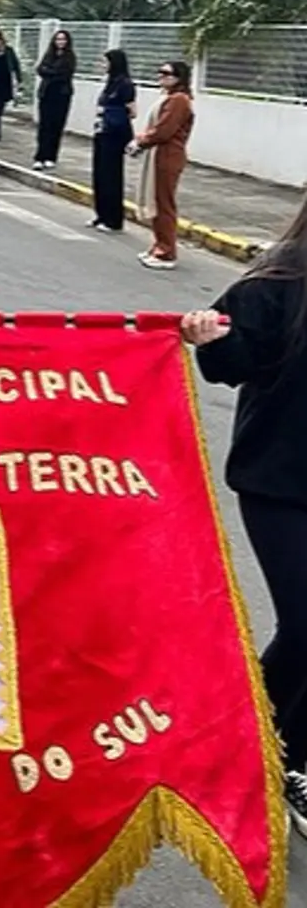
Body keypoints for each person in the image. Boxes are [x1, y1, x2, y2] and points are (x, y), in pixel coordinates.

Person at [181, 210, 307, 838]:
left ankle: (282, 754)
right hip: (282, 486)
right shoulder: (275, 287)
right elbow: (230, 362)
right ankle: (245, 736)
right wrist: (208, 336)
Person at [131, 60, 194, 270]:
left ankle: (166, 252)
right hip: (159, 154)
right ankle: (159, 245)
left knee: (163, 204)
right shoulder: (168, 97)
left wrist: (141, 140)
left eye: (167, 73)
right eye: (160, 72)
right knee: (156, 202)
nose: (161, 76)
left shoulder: (179, 100)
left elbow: (163, 131)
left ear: (179, 77)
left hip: (167, 156)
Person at [89, 49, 136, 233]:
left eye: (105, 62)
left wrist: (114, 116)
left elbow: (133, 111)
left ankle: (113, 219)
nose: (102, 65)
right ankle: (100, 214)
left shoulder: (125, 84)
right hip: (101, 131)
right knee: (99, 174)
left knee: (111, 176)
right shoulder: (108, 83)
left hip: (114, 134)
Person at [33, 30, 76, 170]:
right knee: (44, 126)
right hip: (46, 94)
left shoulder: (70, 57)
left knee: (56, 127)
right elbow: (40, 69)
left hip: (61, 96)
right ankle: (40, 157)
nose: (60, 42)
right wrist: (50, 72)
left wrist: (49, 72)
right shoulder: (49, 55)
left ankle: (51, 157)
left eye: (63, 39)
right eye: (58, 39)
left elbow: (64, 74)